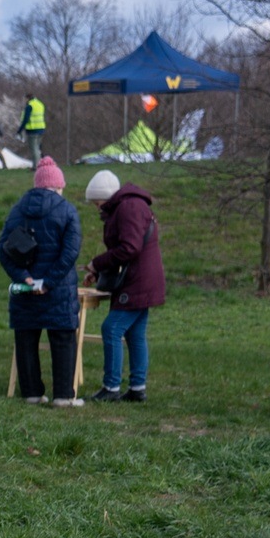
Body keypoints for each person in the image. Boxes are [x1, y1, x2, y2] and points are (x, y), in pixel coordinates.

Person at [0, 158, 83, 406]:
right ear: (58, 186)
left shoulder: (17, 210)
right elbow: (70, 253)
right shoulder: (67, 210)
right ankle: (63, 396)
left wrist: (23, 277)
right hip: (59, 290)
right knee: (63, 339)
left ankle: (32, 393)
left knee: (26, 338)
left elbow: (3, 250)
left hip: (25, 289)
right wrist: (49, 281)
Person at [84, 169, 166, 403]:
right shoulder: (132, 206)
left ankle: (111, 387)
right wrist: (98, 270)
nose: (97, 208)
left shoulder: (129, 208)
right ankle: (137, 388)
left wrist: (97, 263)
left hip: (137, 281)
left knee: (111, 329)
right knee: (135, 333)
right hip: (143, 279)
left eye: (97, 203)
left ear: (105, 197)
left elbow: (129, 248)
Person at [18, 93, 48, 164]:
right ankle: (42, 163)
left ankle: (36, 165)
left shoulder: (29, 106)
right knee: (38, 148)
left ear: (27, 98)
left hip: (32, 129)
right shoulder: (40, 104)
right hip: (41, 128)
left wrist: (20, 130)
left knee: (34, 149)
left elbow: (26, 119)